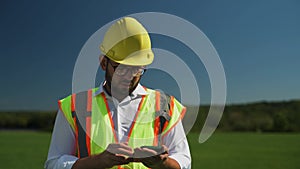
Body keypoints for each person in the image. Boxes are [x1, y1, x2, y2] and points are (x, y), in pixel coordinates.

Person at [45, 17, 191, 169]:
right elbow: (53, 164)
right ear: (103, 63)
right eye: (120, 68)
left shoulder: (165, 106)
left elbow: (184, 162)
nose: (129, 76)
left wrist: (163, 163)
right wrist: (100, 161)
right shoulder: (74, 107)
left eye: (137, 69)